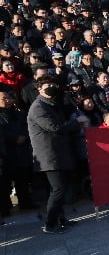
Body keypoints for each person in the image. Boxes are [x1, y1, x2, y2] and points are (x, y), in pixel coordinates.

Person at [27, 75, 86, 234]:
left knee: (60, 188)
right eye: (47, 85)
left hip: (59, 154)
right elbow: (55, 127)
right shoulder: (38, 107)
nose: (51, 87)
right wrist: (77, 123)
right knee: (58, 189)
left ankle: (61, 219)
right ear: (39, 88)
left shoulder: (52, 104)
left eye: (53, 84)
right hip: (49, 156)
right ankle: (50, 224)